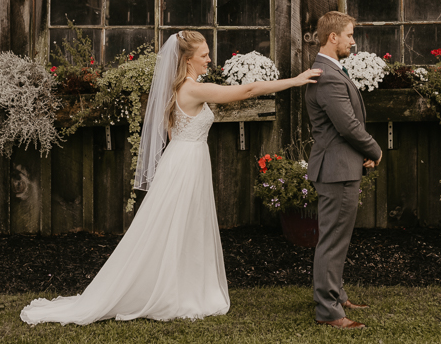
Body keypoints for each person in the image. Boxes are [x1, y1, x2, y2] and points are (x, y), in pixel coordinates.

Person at [20, 30, 322, 325]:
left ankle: (182, 286)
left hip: (184, 159)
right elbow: (245, 91)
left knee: (182, 226)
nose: (209, 60)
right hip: (186, 164)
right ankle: (168, 290)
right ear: (187, 60)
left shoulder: (179, 89)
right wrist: (295, 81)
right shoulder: (190, 89)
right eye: (204, 55)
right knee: (173, 225)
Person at [305, 11, 382, 330]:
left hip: (341, 166)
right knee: (333, 240)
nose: (353, 40)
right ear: (332, 37)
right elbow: (348, 126)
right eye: (349, 35)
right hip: (336, 170)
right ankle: (328, 310)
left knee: (336, 238)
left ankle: (334, 294)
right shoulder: (325, 74)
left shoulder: (331, 70)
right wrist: (374, 150)